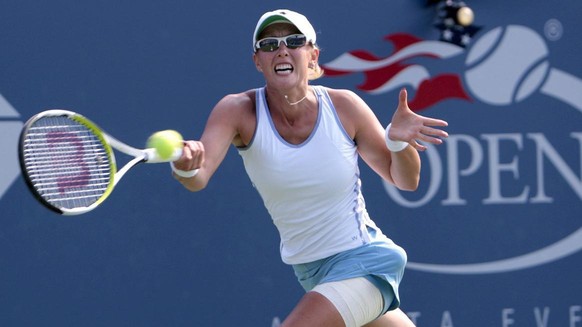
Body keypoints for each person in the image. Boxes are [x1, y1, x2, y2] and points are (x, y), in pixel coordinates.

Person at [171, 9, 448, 327]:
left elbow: (406, 179)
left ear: (312, 55)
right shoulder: (237, 111)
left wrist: (399, 144)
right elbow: (199, 176)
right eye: (270, 44)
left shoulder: (345, 107)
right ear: (258, 61)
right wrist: (187, 166)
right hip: (314, 273)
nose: (282, 49)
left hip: (366, 261)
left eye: (294, 41)